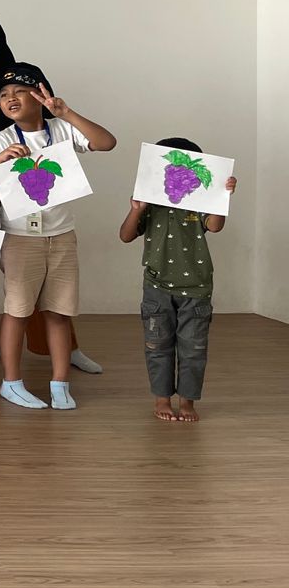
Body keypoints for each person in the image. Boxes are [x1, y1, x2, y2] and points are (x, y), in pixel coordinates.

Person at [0, 14, 101, 375]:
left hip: (31, 171)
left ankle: (64, 347)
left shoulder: (24, 75)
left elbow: (51, 117)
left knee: (40, 261)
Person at [0, 65, 116, 410]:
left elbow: (106, 142)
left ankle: (60, 383)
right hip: (20, 237)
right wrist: (0, 159)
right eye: (3, 95)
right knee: (17, 311)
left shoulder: (62, 129)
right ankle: (11, 383)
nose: (9, 98)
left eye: (18, 92)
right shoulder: (4, 138)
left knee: (58, 312)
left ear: (40, 95)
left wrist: (65, 111)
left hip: (61, 235)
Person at [118, 139, 236, 423]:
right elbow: (125, 235)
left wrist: (223, 195)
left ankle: (187, 402)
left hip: (196, 287)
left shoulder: (203, 198)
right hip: (157, 285)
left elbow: (215, 226)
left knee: (193, 348)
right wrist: (136, 208)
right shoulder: (150, 202)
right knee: (157, 345)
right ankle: (161, 399)